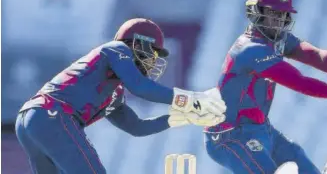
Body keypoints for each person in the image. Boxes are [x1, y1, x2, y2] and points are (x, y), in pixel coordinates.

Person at [203, 0, 327, 174]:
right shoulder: (249, 50)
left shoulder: (279, 39)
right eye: (273, 13)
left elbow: (316, 55)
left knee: (299, 160)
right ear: (255, 12)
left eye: (283, 14)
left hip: (261, 129)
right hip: (229, 136)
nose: (279, 20)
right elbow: (299, 82)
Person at [15, 18, 227, 174]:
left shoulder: (113, 91)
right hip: (52, 116)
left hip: (33, 119)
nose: (152, 61)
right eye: (150, 52)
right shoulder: (115, 49)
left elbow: (136, 127)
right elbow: (142, 88)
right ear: (134, 44)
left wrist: (181, 117)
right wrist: (193, 100)